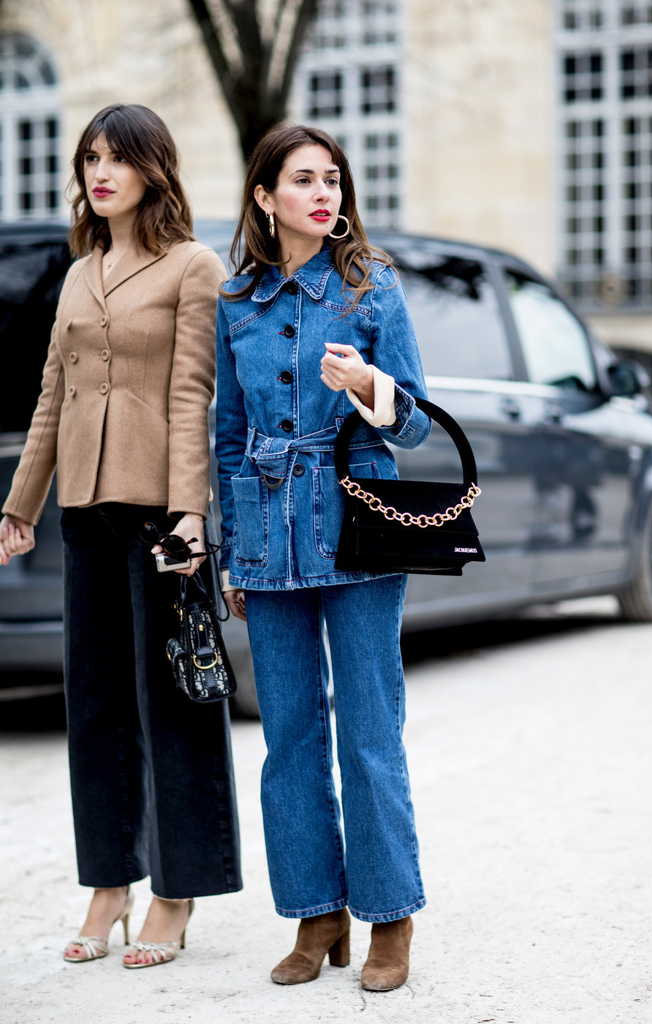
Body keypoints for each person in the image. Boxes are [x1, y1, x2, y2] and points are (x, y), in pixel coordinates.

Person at [0, 104, 241, 969]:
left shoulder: (193, 266)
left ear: (153, 169)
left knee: (173, 699)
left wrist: (189, 513)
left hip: (158, 515)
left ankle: (178, 890)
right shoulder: (80, 272)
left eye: (117, 158)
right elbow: (52, 395)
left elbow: (193, 394)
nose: (99, 173)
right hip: (83, 511)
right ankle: (109, 884)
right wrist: (20, 505)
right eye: (90, 159)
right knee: (96, 706)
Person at [215, 122, 430, 992]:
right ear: (265, 197)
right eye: (303, 179)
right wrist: (232, 554)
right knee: (289, 739)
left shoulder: (371, 288)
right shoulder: (236, 300)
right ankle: (316, 916)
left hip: (360, 527)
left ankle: (390, 917)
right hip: (268, 538)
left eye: (332, 179)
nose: (322, 193)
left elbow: (417, 424)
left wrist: (370, 386)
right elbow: (228, 436)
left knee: (370, 731)